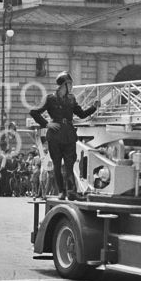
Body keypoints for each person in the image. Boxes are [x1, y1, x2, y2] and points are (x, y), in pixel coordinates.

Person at [30, 71, 97, 199]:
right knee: (56, 164)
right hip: (55, 135)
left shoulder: (71, 98)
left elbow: (81, 114)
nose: (71, 87)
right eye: (69, 84)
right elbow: (34, 112)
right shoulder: (50, 98)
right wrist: (47, 124)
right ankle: (61, 191)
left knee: (69, 164)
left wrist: (93, 107)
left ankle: (71, 192)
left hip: (69, 134)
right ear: (63, 85)